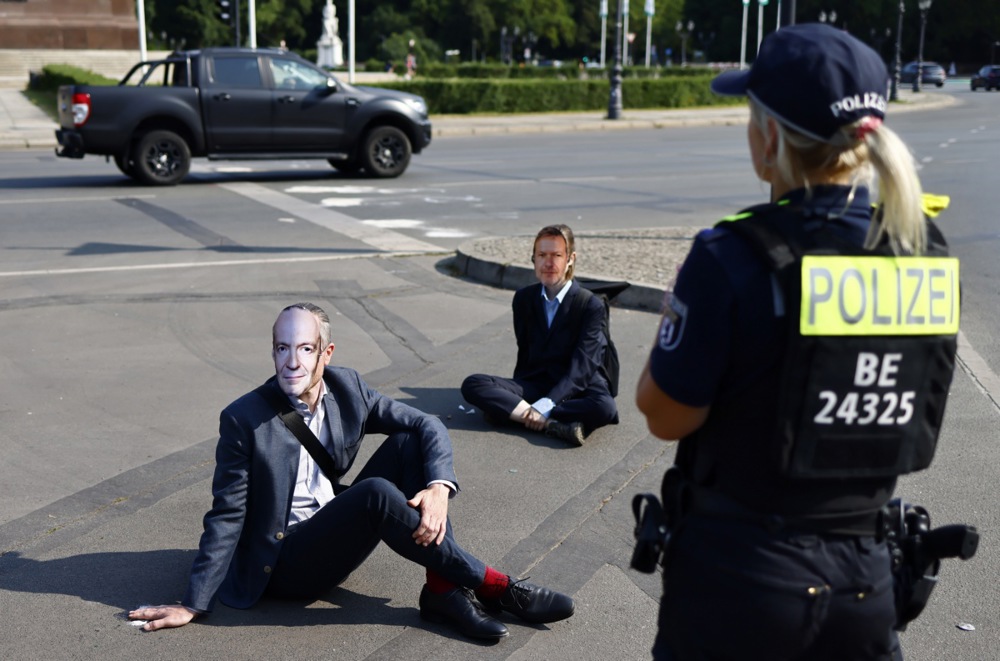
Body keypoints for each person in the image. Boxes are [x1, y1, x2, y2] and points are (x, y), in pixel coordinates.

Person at [635, 24, 959, 660]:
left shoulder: (730, 255)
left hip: (741, 578)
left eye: (751, 118)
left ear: (773, 138)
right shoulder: (921, 247)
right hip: (867, 580)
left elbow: (665, 414)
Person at [128, 303, 574, 640]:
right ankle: (496, 586)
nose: (292, 362)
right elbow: (226, 514)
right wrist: (193, 602)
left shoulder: (348, 387)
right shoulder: (244, 418)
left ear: (326, 353)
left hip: (334, 528)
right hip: (285, 563)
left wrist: (440, 487)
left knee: (407, 443)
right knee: (377, 492)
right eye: (282, 348)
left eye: (305, 349)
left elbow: (427, 423)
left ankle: (442, 589)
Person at [462, 224, 619, 446]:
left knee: (605, 407)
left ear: (570, 259)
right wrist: (525, 395)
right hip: (537, 382)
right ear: (533, 259)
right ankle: (553, 425)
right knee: (474, 384)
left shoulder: (590, 305)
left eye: (556, 255)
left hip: (576, 386)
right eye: (542, 255)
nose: (548, 263)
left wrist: (547, 402)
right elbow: (525, 350)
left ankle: (515, 413)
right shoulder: (524, 298)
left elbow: (583, 366)